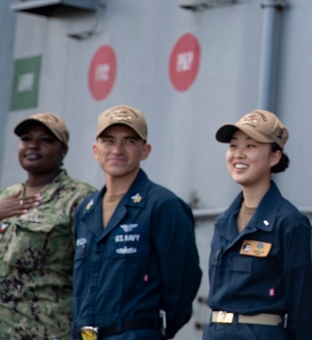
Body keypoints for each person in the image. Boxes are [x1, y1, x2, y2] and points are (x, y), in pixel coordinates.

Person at [73, 104, 202, 339]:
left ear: (145, 150)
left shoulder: (163, 205)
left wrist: (150, 331)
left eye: (130, 141)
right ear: (95, 149)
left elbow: (183, 282)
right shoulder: (86, 209)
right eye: (109, 141)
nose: (118, 149)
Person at [205, 109, 312, 339]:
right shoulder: (224, 222)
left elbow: (305, 307)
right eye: (233, 146)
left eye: (250, 146)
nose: (238, 154)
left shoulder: (290, 224)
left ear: (274, 157)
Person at [0, 112, 95, 339]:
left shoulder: (79, 198)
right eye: (26, 138)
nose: (33, 146)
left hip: (46, 330)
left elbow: (93, 273)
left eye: (45, 140)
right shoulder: (8, 195)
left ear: (63, 150)